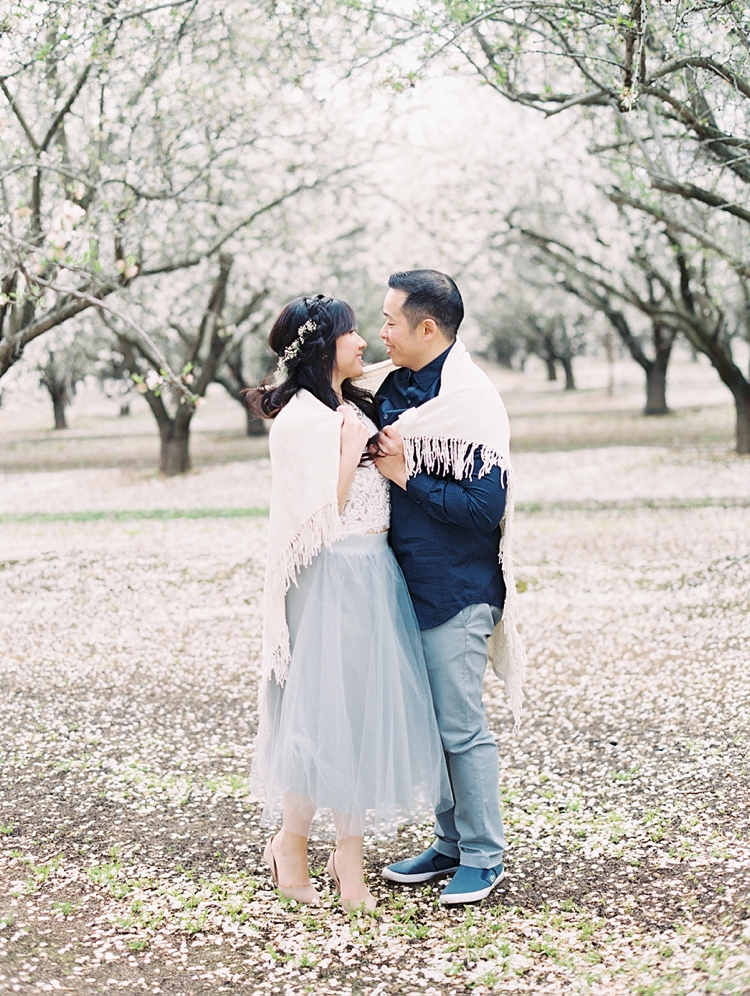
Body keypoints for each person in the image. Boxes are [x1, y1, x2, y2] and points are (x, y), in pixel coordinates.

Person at [246, 294, 451, 913]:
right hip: (331, 575)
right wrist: (345, 446)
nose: (364, 342)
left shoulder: (349, 403)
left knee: (355, 714)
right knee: (320, 715)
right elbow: (320, 516)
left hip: (373, 572)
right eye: (353, 333)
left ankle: (344, 854)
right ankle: (296, 841)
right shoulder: (305, 419)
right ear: (320, 346)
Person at [373, 269, 526, 905]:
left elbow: (484, 507)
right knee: (430, 726)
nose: (381, 332)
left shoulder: (472, 401)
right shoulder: (390, 388)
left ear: (427, 328)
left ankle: (485, 855)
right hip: (402, 583)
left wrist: (408, 477)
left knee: (461, 729)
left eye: (390, 322)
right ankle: (450, 843)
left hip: (457, 588)